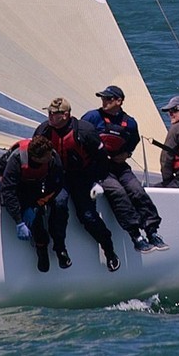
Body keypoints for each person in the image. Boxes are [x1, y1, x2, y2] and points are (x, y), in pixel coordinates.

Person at [33, 97, 120, 272]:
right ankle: (60, 250)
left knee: (87, 216)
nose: (50, 116)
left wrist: (98, 180)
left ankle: (109, 249)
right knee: (58, 206)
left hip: (83, 177)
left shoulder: (85, 131)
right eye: (49, 113)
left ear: (65, 115)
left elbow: (101, 157)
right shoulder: (43, 130)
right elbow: (35, 154)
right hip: (58, 178)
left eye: (54, 114)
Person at [81, 85, 167, 253]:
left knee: (138, 191)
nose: (104, 101)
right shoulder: (92, 117)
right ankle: (136, 235)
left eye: (108, 99)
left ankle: (152, 232)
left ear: (119, 101)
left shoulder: (130, 123)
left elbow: (133, 141)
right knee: (118, 192)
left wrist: (127, 154)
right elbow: (79, 136)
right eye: (103, 98)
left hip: (120, 166)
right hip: (99, 168)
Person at [0, 135, 69, 273]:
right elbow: (8, 191)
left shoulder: (53, 158)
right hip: (14, 181)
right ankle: (41, 250)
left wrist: (37, 204)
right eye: (46, 157)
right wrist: (18, 221)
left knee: (49, 209)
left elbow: (57, 185)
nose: (50, 158)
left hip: (35, 181)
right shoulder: (16, 160)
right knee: (25, 211)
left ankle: (59, 247)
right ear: (35, 158)